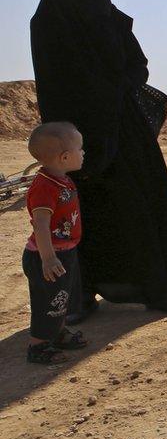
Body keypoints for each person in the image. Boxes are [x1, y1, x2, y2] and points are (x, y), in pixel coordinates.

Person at [30, 0, 167, 320]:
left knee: (141, 211)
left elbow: (138, 67)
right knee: (79, 219)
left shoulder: (112, 21)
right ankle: (82, 297)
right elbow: (50, 85)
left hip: (123, 134)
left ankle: (159, 293)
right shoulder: (46, 24)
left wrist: (111, 91)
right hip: (74, 140)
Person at [22, 122, 89, 364]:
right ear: (64, 157)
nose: (83, 153)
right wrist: (48, 258)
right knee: (47, 300)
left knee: (61, 296)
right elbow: (40, 224)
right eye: (80, 149)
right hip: (48, 257)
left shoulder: (60, 179)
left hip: (64, 253)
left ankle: (58, 333)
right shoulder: (44, 187)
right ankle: (38, 346)